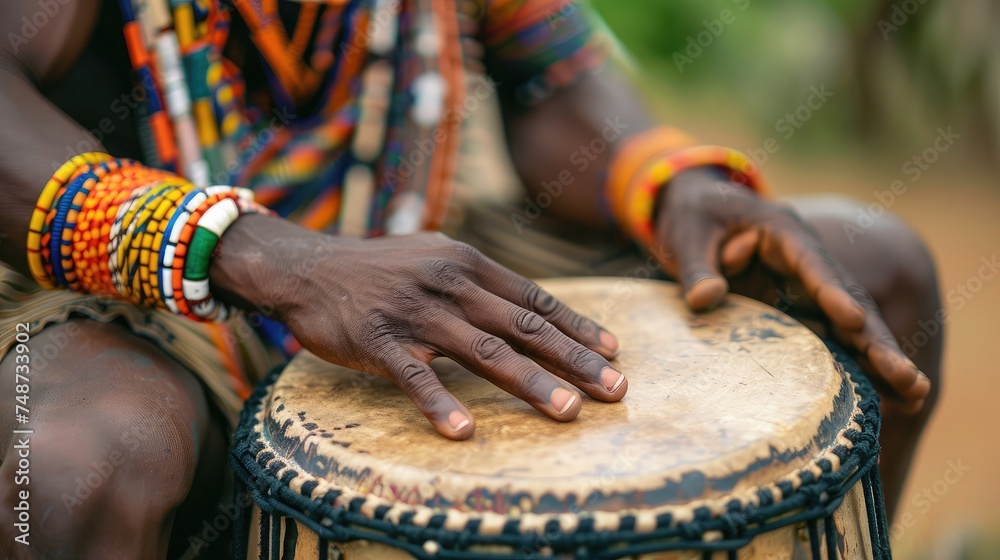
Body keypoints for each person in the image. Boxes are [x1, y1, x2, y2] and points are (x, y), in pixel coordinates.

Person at [0, 0, 939, 556]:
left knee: (867, 268)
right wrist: (275, 257)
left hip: (418, 235)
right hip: (138, 289)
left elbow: (552, 78)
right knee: (77, 465)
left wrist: (666, 180)